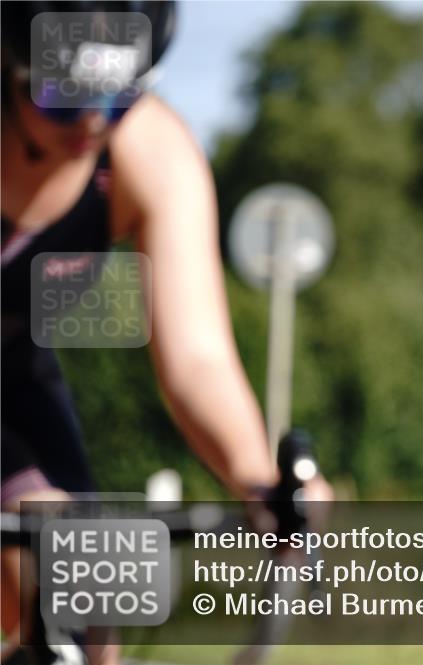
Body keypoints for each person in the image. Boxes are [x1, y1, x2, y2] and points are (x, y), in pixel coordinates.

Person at [0, 3, 332, 662]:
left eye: (117, 98)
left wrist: (259, 479)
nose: (91, 124)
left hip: (15, 373)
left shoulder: (151, 151)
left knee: (85, 613)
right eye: (63, 100)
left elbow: (198, 356)